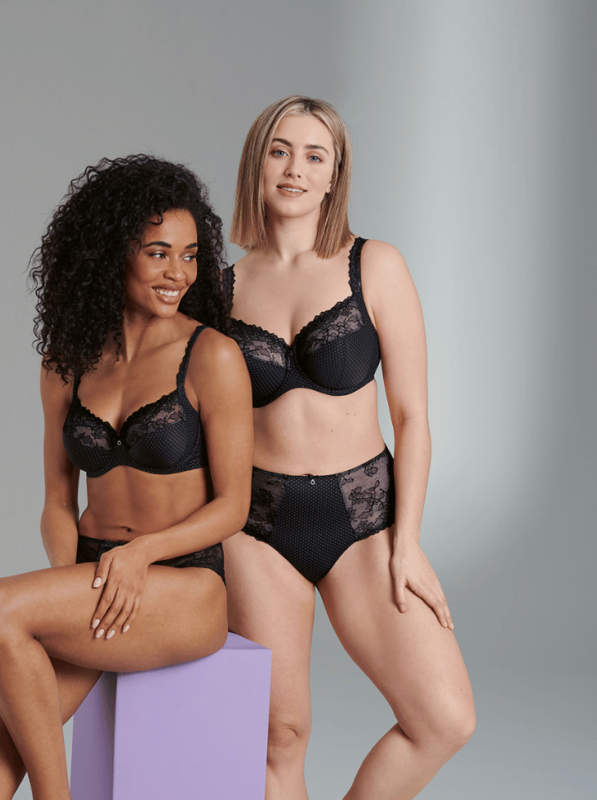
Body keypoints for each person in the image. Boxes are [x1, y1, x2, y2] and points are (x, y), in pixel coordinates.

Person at [0, 154, 253, 800]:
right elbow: (57, 501)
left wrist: (142, 553)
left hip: (183, 584)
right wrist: (70, 584)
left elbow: (233, 505)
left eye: (191, 255)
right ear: (114, 254)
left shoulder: (213, 356)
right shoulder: (67, 361)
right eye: (158, 253)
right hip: (93, 579)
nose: (179, 274)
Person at [221, 96, 475, 800]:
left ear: (335, 175)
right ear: (257, 162)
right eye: (280, 151)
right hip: (257, 526)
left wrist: (408, 542)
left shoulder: (376, 265)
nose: (294, 169)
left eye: (314, 156)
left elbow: (412, 417)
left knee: (443, 719)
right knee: (279, 737)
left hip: (364, 516)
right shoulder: (221, 287)